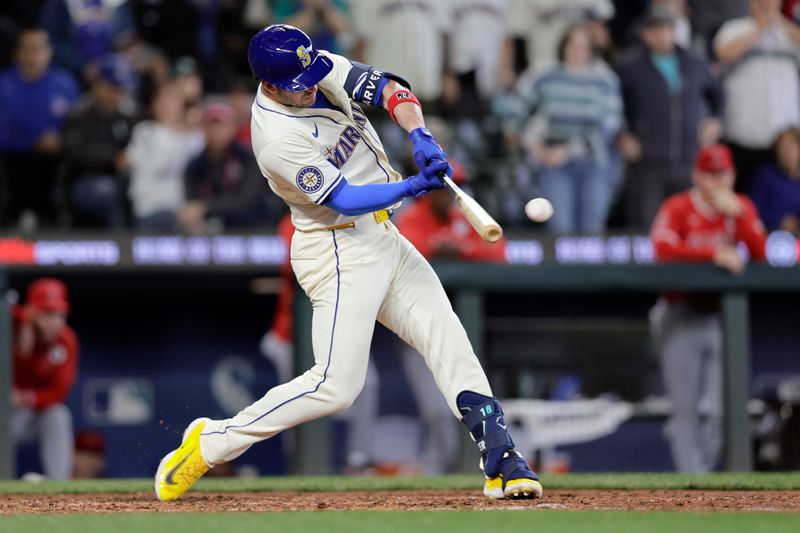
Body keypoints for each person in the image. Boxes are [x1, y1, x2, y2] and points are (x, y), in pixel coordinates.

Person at [154, 24, 541, 502]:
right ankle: (213, 442)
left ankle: (501, 458)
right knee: (336, 387)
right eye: (298, 84)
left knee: (449, 338)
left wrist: (418, 131)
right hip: (336, 247)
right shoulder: (275, 137)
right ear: (270, 85)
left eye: (311, 73)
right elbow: (344, 198)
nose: (311, 84)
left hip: (384, 236)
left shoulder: (310, 67)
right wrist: (412, 187)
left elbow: (391, 89)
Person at [650, 144, 767, 472]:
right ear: (697, 175)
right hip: (679, 313)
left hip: (723, 318)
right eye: (711, 174)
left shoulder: (739, 208)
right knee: (685, 409)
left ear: (732, 175)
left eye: (723, 174)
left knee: (721, 409)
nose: (717, 181)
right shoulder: (678, 206)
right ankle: (692, 481)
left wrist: (740, 216)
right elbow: (662, 249)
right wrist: (711, 256)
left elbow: (761, 254)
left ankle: (704, 480)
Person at [616, 6, 724, 230]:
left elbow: (718, 94)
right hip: (648, 160)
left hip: (688, 158)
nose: (661, 34)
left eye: (666, 28)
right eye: (654, 29)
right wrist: (622, 134)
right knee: (647, 224)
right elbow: (612, 103)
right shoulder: (629, 66)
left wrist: (716, 120)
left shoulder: (695, 63)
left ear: (674, 30)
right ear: (644, 34)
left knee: (688, 225)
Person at [518, 24, 622, 233]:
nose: (577, 51)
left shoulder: (605, 80)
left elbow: (609, 125)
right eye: (572, 45)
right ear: (563, 47)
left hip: (593, 162)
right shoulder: (544, 77)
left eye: (583, 47)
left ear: (592, 50)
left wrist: (569, 151)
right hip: (553, 164)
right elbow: (515, 110)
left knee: (592, 228)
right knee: (560, 227)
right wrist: (535, 147)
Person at [714, 0, 800, 193]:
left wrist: (780, 22)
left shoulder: (789, 32)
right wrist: (760, 27)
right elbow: (724, 52)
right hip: (743, 138)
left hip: (784, 142)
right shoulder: (735, 27)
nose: (765, 3)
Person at [0, 28, 79, 228]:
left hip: (55, 159)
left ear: (49, 52)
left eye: (38, 49)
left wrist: (60, 140)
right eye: (27, 49)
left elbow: (77, 126)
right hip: (12, 159)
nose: (33, 55)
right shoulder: (4, 86)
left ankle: (55, 226)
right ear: (17, 53)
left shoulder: (65, 84)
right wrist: (32, 142)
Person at [11, 278, 79, 481]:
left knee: (58, 414)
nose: (55, 322)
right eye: (47, 314)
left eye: (59, 315)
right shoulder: (11, 328)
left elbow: (59, 393)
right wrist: (18, 322)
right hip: (5, 415)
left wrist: (27, 398)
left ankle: (60, 486)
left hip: (30, 417)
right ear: (32, 312)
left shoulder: (66, 340)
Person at [179, 102, 282, 234]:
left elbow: (246, 200)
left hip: (253, 226)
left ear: (233, 128)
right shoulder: (195, 165)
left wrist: (206, 207)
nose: (217, 132)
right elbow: (192, 205)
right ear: (204, 129)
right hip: (211, 228)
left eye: (222, 126)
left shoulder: (248, 159)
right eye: (212, 126)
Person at [62, 53, 136, 228]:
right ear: (99, 85)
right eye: (113, 88)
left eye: (122, 89)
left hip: (120, 178)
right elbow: (75, 153)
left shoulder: (125, 116)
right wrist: (112, 158)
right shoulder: (80, 114)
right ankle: (120, 246)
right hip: (85, 179)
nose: (118, 94)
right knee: (107, 191)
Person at [126, 81, 204, 229]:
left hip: (185, 208)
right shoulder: (145, 132)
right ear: (154, 105)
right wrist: (178, 134)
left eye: (174, 101)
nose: (168, 106)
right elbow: (156, 168)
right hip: (150, 207)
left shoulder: (194, 135)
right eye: (163, 101)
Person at [750, 127, 800, 234]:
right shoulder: (765, 175)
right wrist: (778, 221)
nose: (787, 152)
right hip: (771, 232)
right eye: (782, 147)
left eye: (791, 147)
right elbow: (752, 210)